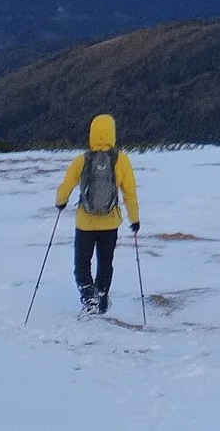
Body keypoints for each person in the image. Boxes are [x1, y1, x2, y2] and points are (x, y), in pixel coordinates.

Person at [53, 113, 141, 315]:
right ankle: (101, 298)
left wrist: (60, 202)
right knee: (105, 263)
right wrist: (134, 219)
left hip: (85, 223)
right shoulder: (122, 161)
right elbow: (130, 192)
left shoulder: (81, 161)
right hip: (110, 223)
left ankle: (88, 298)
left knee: (82, 263)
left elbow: (66, 186)